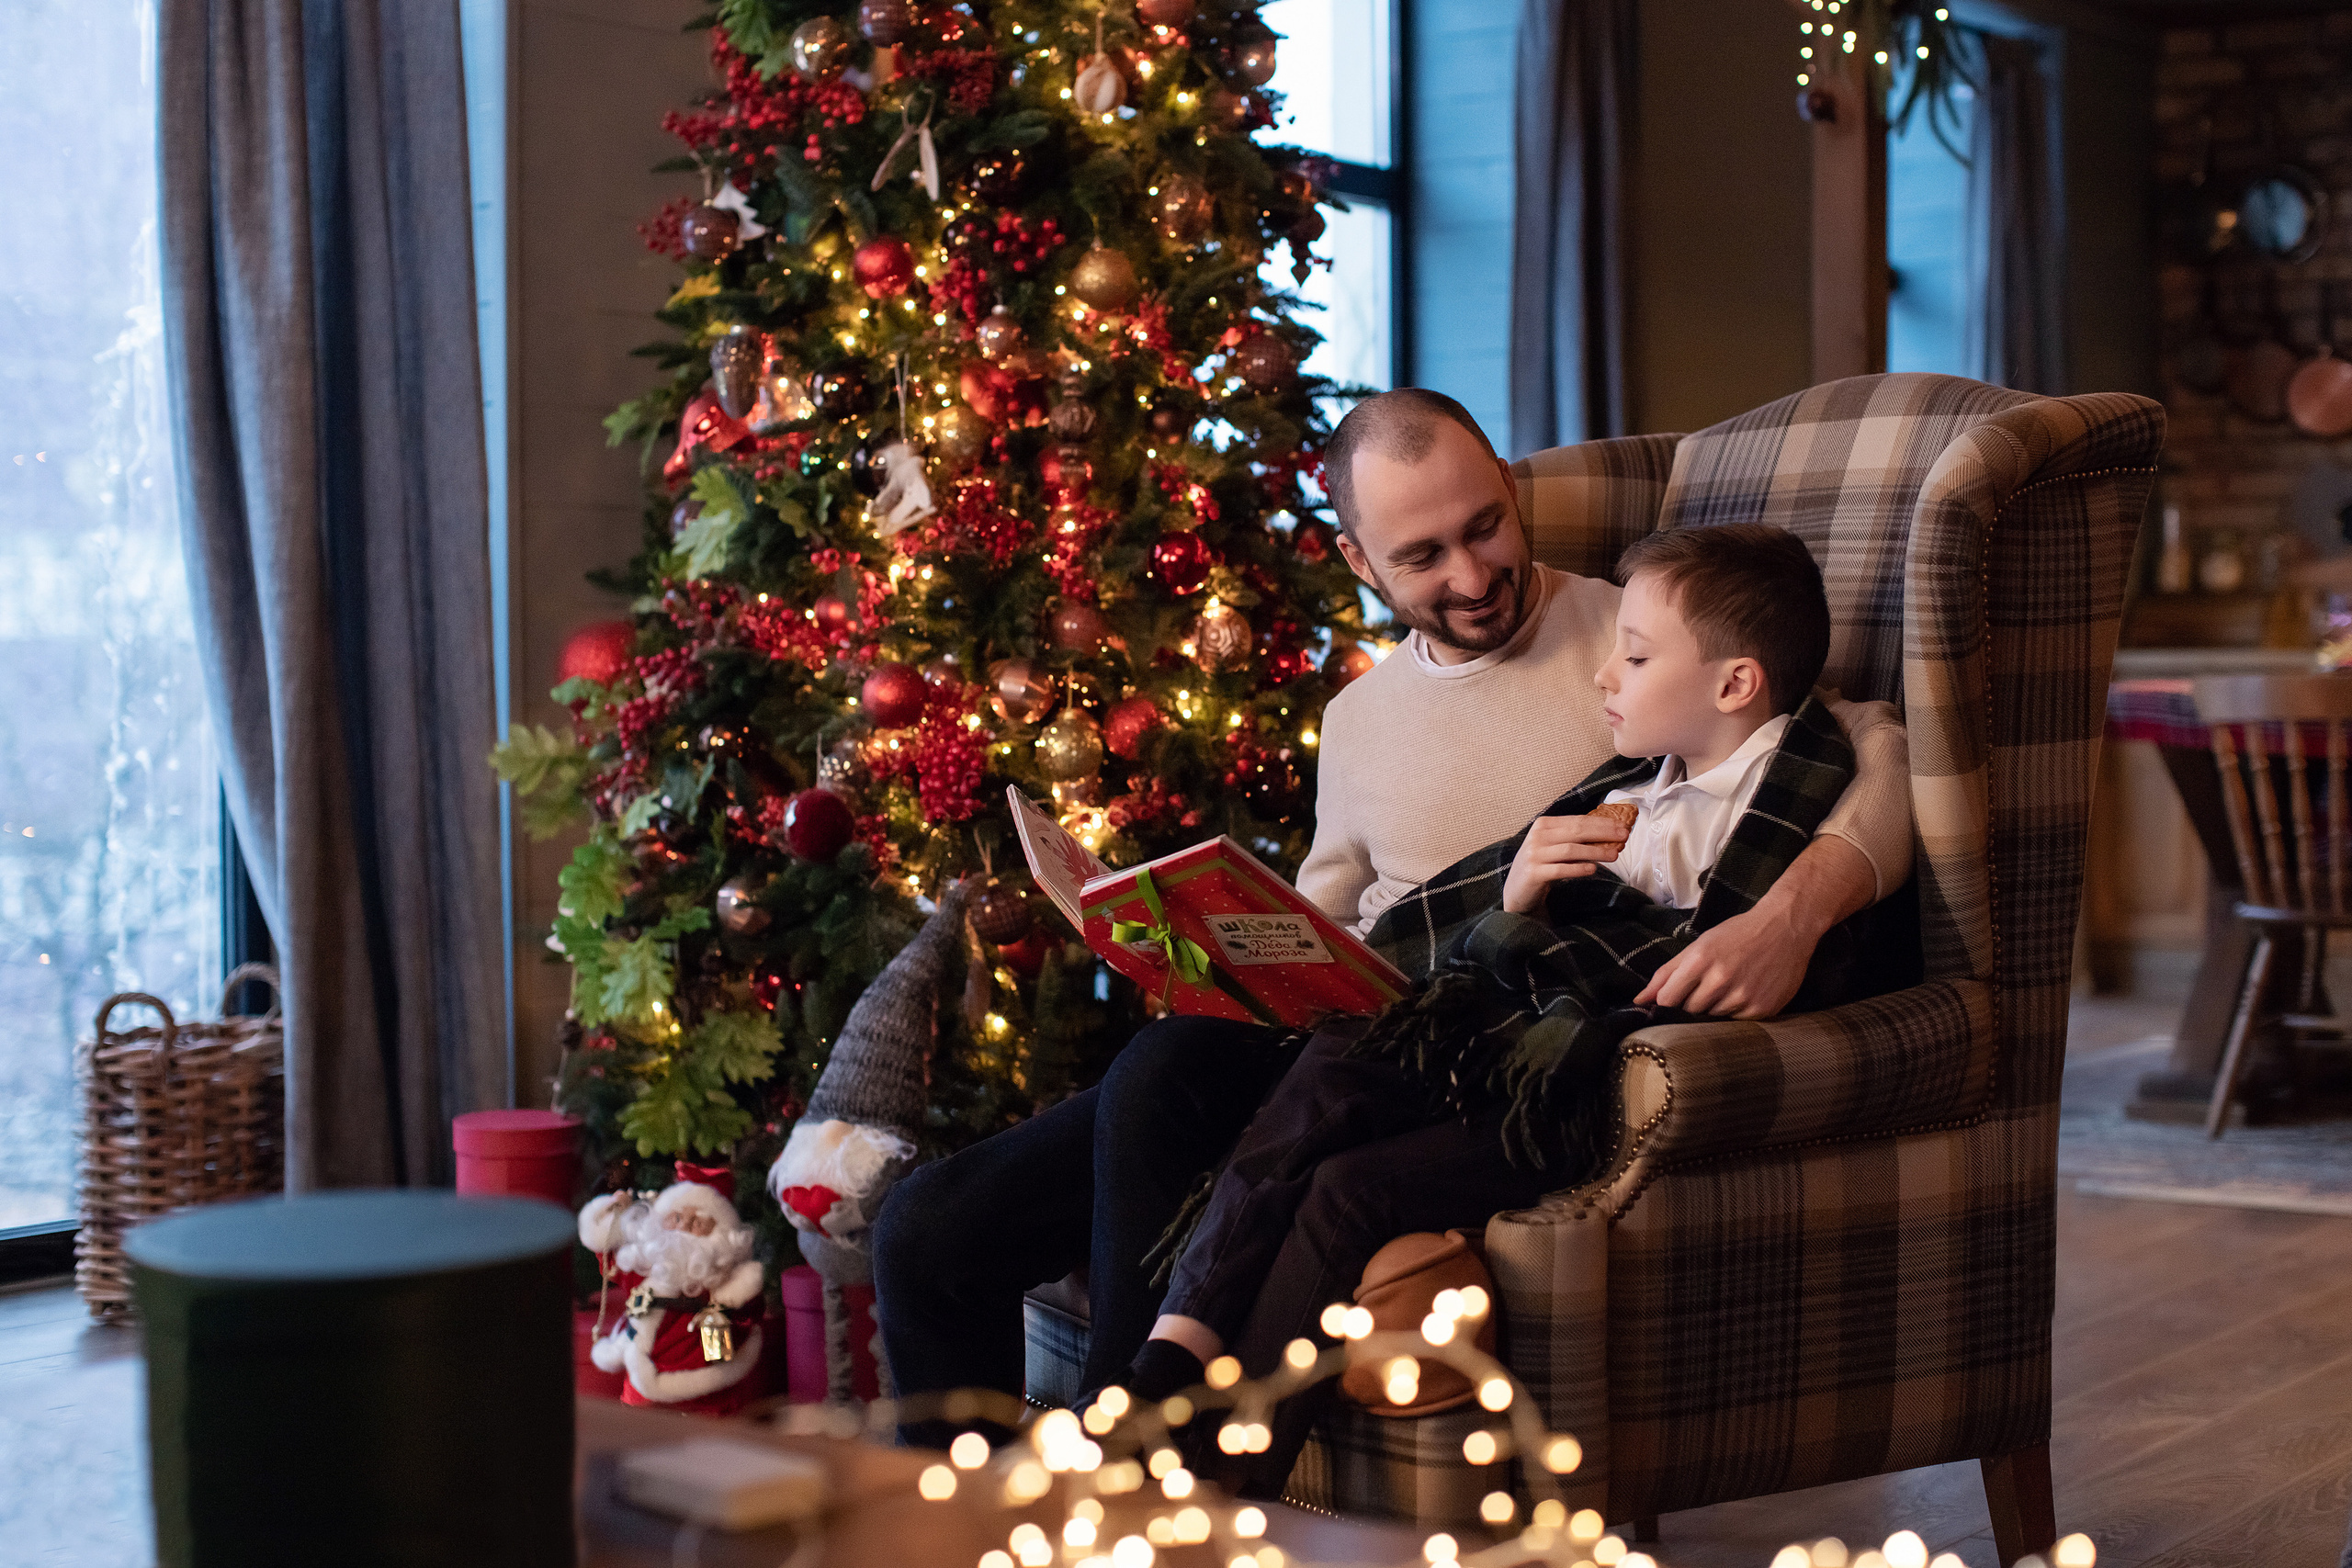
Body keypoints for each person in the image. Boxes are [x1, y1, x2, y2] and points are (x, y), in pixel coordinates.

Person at [871, 389, 1912, 1448]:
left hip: (1463, 1050)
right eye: (1421, 556)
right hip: (1333, 1026)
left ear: (1509, 489)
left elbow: (1868, 744)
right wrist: (1195, 947)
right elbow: (1320, 914)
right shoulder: (1357, 716)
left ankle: (1133, 1484)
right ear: (1361, 563)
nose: (1469, 576)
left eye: (1485, 528)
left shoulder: (1639, 634)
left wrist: (1793, 911)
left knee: (1164, 1075)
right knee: (925, 1233)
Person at [1104, 525, 1860, 1488]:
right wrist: (1516, 891)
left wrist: (1526, 937)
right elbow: (1430, 913)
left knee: (1346, 1169)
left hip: (1564, 1091)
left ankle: (1208, 1478)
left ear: (1733, 685)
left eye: (1633, 657)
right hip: (1486, 1050)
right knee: (1326, 1085)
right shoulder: (1631, 782)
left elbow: (1677, 956)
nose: (1605, 677)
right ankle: (1174, 1372)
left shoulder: (1788, 789)